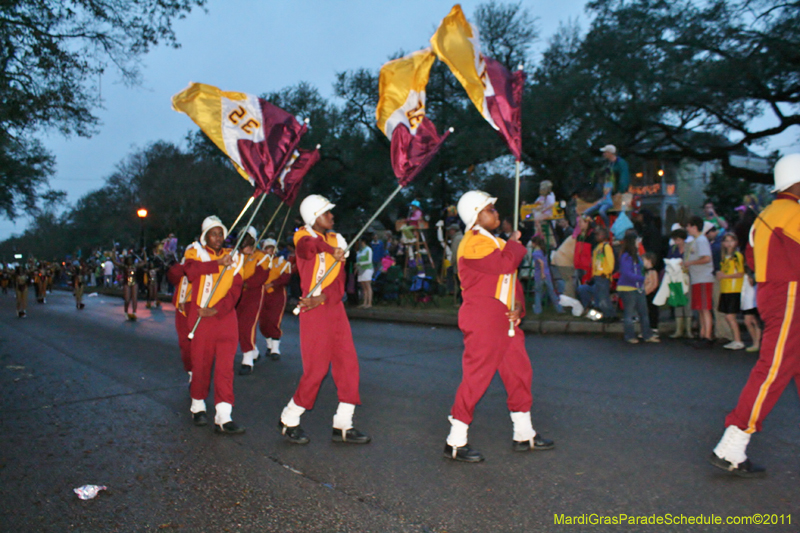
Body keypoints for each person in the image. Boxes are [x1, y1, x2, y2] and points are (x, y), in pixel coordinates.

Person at [443, 191, 554, 463]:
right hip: (483, 317)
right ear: (475, 216)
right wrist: (514, 244)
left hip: (503, 317)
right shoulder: (473, 242)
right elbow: (504, 265)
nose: (496, 213)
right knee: (477, 377)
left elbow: (510, 281)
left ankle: (524, 432)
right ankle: (455, 440)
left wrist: (518, 307)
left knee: (519, 372)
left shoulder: (494, 241)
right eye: (490, 209)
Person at [709, 153, 800, 477]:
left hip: (773, 292)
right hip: (791, 293)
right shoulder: (793, 213)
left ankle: (736, 441)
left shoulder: (766, 215)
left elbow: (750, 257)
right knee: (773, 369)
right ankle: (733, 440)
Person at [278, 195, 370, 445]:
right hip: (313, 312)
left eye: (331, 212)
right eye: (326, 212)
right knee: (316, 370)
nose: (331, 216)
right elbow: (308, 248)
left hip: (332, 307)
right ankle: (289, 417)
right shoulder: (302, 237)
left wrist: (325, 298)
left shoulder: (337, 239)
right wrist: (333, 251)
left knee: (348, 364)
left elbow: (339, 284)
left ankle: (343, 423)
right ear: (313, 217)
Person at [183, 215, 245, 435]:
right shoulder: (195, 252)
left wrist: (218, 310)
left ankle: (223, 415)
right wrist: (217, 264)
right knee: (201, 364)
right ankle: (197, 404)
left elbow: (236, 289)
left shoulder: (235, 257)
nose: (218, 238)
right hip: (201, 318)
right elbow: (190, 272)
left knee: (225, 368)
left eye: (221, 234)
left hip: (225, 318)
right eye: (213, 233)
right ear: (205, 236)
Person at [236, 227, 270, 376]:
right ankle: (254, 350)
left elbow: (260, 277)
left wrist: (242, 283)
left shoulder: (262, 256)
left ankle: (247, 358)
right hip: (236, 295)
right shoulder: (235, 255)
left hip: (253, 294)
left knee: (247, 325)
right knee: (236, 326)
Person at [617, 231, 659, 344]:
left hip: (637, 287)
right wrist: (642, 279)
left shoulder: (636, 255)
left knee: (644, 312)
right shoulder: (626, 256)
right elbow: (626, 273)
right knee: (629, 314)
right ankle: (630, 336)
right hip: (627, 288)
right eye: (637, 240)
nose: (639, 242)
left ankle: (647, 335)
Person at [259, 238, 292, 361]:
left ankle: (275, 348)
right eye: (267, 248)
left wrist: (272, 284)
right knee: (263, 322)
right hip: (262, 295)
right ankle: (269, 345)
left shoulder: (282, 263)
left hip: (277, 296)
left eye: (272, 248)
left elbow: (285, 278)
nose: (270, 251)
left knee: (274, 320)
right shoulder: (260, 262)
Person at [684, 216, 715, 347]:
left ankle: (707, 337)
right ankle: (703, 334)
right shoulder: (696, 240)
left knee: (705, 308)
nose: (687, 229)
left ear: (694, 227)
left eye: (688, 226)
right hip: (697, 278)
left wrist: (690, 262)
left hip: (703, 278)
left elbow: (706, 258)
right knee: (701, 308)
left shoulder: (701, 240)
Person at [577, 226, 616, 320]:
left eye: (598, 234)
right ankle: (603, 314)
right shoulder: (597, 248)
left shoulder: (606, 247)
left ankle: (610, 315)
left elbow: (610, 262)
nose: (596, 237)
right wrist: (593, 276)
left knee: (604, 298)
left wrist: (606, 273)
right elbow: (595, 264)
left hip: (603, 276)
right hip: (597, 277)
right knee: (599, 296)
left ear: (603, 235)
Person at [166, 257, 193, 383]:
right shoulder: (183, 265)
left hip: (200, 308)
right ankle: (192, 371)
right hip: (182, 309)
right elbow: (173, 276)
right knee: (185, 343)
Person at [717, 233, 745, 350]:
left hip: (733, 289)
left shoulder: (737, 256)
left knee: (730, 316)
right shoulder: (724, 257)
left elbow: (740, 273)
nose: (729, 244)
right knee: (728, 316)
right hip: (725, 289)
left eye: (731, 241)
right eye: (726, 241)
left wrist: (725, 277)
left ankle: (738, 340)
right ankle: (735, 339)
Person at [666, 228, 692, 338]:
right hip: (676, 277)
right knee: (677, 302)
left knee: (688, 303)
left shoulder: (690, 248)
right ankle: (678, 330)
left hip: (687, 277)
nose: (677, 242)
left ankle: (689, 330)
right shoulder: (672, 249)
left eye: (678, 240)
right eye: (675, 240)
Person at [530, 235, 563, 315]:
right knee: (552, 292)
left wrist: (542, 273)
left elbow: (541, 263)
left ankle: (537, 310)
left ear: (535, 244)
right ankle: (559, 308)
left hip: (540, 274)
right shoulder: (543, 251)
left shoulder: (535, 253)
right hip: (547, 274)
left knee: (538, 292)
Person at [112, 252, 147, 321]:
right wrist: (113, 252)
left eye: (131, 259)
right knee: (127, 299)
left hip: (134, 283)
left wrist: (144, 253)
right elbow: (114, 261)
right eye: (129, 259)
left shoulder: (135, 266)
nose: (130, 261)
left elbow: (144, 262)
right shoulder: (124, 266)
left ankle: (134, 313)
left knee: (134, 299)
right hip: (126, 283)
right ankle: (126, 311)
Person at [643, 252, 660, 334]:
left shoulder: (653, 272)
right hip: (647, 293)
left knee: (652, 311)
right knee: (647, 311)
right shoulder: (646, 272)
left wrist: (647, 291)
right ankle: (648, 328)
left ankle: (653, 328)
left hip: (651, 294)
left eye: (644, 260)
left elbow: (654, 284)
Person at [355, 237, 373, 308]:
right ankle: (364, 302)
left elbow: (369, 261)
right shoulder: (360, 251)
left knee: (367, 286)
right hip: (361, 270)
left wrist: (360, 264)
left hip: (367, 269)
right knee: (363, 287)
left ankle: (369, 303)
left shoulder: (368, 250)